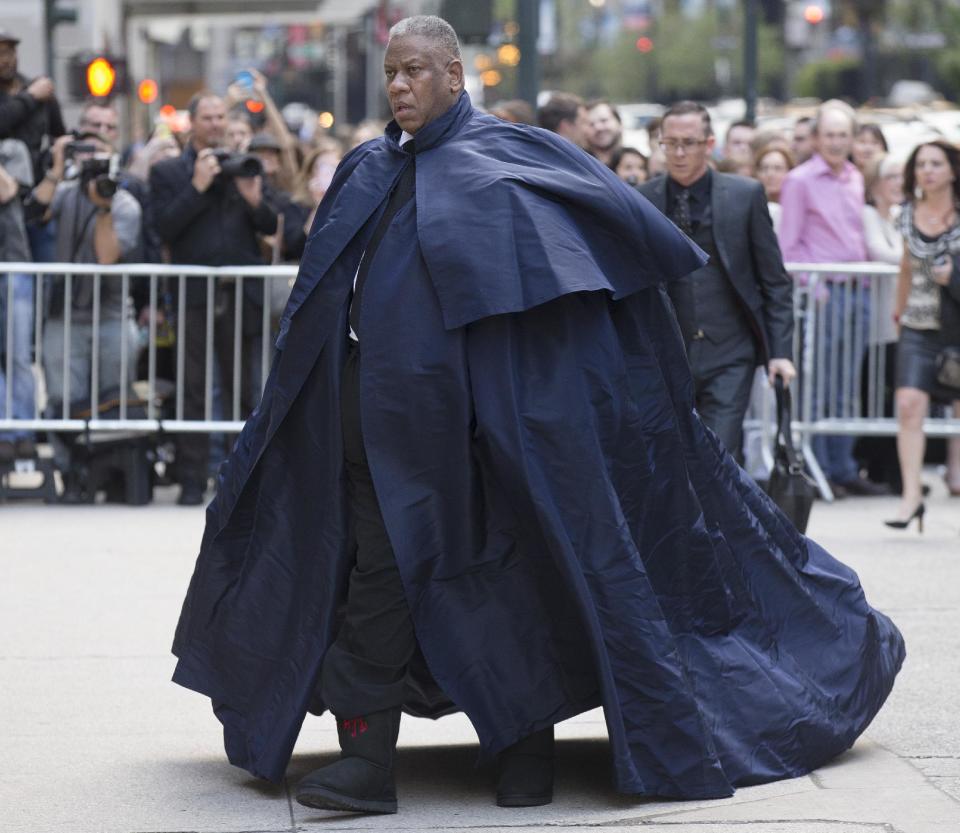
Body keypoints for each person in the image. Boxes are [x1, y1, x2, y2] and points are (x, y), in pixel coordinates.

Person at [171, 15, 903, 817]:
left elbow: (583, 290)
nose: (400, 86)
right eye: (391, 74)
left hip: (492, 437)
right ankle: (368, 760)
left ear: (456, 74)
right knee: (369, 580)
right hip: (371, 432)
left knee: (515, 582)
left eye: (415, 70)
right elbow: (323, 302)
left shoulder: (511, 161)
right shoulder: (367, 169)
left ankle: (524, 752)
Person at [637, 101, 796, 464]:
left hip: (730, 350)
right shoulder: (643, 199)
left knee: (720, 454)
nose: (678, 153)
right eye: (670, 143)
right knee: (671, 457)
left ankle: (720, 524)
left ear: (709, 144)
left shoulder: (745, 195)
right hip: (666, 350)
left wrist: (781, 352)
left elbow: (774, 280)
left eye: (688, 143)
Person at [149, 91, 278, 506]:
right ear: (192, 122)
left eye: (221, 116)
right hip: (192, 294)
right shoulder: (169, 172)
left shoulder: (243, 167)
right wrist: (197, 186)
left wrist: (253, 195)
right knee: (194, 389)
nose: (216, 124)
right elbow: (164, 229)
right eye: (207, 116)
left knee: (243, 389)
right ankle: (191, 480)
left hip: (240, 294)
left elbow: (270, 224)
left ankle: (239, 480)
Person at [779, 101, 887, 497]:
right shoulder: (800, 180)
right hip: (823, 293)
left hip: (857, 289)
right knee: (820, 383)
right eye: (830, 135)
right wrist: (815, 286)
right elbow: (787, 246)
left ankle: (842, 467)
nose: (837, 142)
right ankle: (818, 467)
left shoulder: (855, 177)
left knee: (849, 382)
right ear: (817, 138)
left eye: (844, 135)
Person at [31, 130, 142, 496]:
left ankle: (108, 474)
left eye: (100, 156)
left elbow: (107, 257)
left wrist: (103, 206)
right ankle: (71, 474)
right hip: (64, 316)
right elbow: (34, 213)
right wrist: (57, 168)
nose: (93, 163)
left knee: (114, 398)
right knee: (64, 400)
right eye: (87, 155)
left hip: (111, 315)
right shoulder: (65, 194)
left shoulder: (124, 204)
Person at [887, 140, 960, 529]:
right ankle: (911, 495)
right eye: (921, 164)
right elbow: (904, 267)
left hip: (957, 323)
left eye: (936, 163)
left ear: (952, 170)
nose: (927, 171)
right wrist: (897, 315)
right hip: (917, 321)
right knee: (909, 405)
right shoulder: (906, 215)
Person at [0, 27, 66, 264]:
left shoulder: (41, 91)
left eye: (8, 52)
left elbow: (60, 137)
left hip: (39, 198)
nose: (5, 60)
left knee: (44, 269)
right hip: (4, 201)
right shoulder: (34, 93)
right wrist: (30, 98)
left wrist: (53, 180)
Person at [0, 137, 36, 462]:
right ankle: (4, 433)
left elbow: (6, 190)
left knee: (18, 358)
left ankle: (23, 432)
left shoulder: (12, 149)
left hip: (12, 265)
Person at [754, 144, 795, 235]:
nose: (770, 174)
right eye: (764, 168)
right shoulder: (750, 208)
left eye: (778, 168)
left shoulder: (797, 207)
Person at [585, 99, 622, 167]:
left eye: (604, 120)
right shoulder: (580, 164)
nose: (598, 127)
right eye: (591, 124)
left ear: (619, 123)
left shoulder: (637, 163)